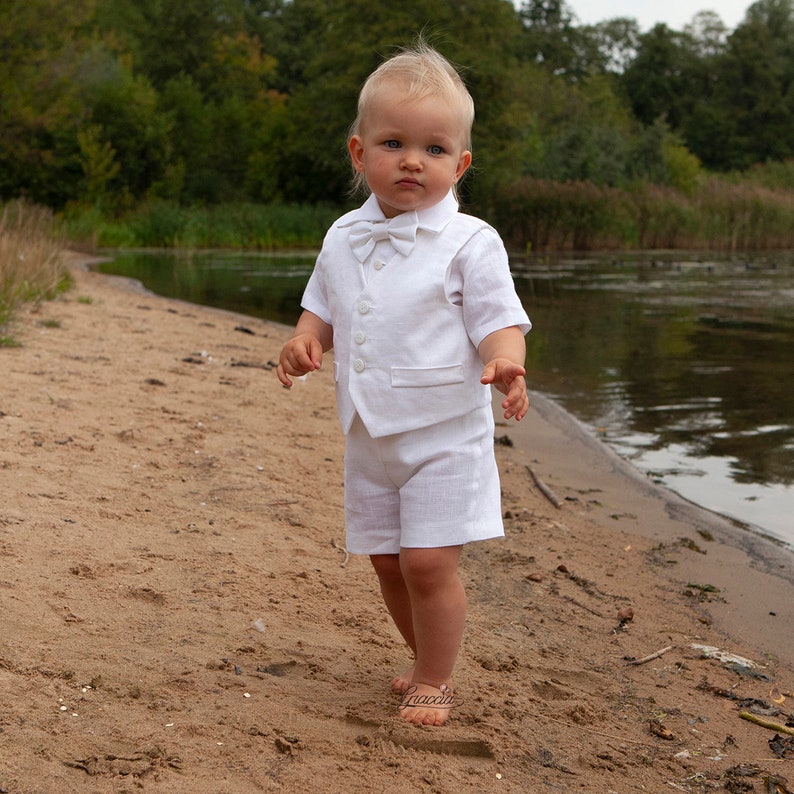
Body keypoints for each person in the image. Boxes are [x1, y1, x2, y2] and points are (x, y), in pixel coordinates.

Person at [277, 42, 531, 727]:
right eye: (394, 144)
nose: (413, 160)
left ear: (461, 163)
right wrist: (305, 340)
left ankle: (436, 680)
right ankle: (425, 660)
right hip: (369, 434)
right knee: (387, 563)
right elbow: (323, 308)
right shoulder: (342, 236)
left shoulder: (470, 242)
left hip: (444, 435)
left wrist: (507, 361)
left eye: (434, 148)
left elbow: (500, 320)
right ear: (360, 154)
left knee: (426, 563)